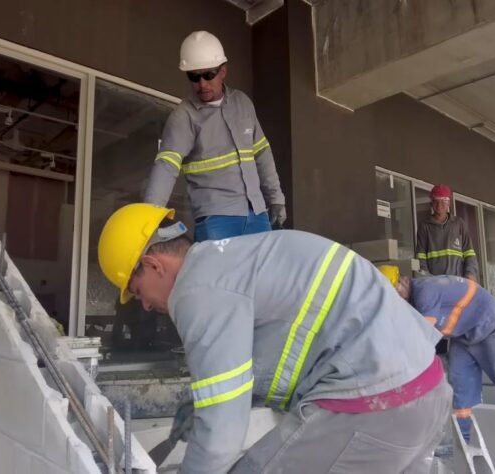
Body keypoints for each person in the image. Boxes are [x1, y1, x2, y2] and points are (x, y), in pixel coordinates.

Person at [98, 203, 451, 474]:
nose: (144, 304)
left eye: (137, 289)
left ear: (154, 264)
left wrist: (210, 426)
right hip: (427, 391)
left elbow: (221, 438)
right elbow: (287, 343)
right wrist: (205, 404)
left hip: (377, 404)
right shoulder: (238, 262)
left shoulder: (196, 289)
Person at [378, 266, 495, 465]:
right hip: (464, 336)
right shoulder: (414, 301)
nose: (396, 298)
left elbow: (422, 335)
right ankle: (465, 440)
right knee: (461, 387)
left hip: (488, 326)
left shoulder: (426, 290)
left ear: (403, 281)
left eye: (395, 291)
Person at [143, 31, 286, 242]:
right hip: (216, 219)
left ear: (223, 71)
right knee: (221, 276)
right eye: (194, 76)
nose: (202, 84)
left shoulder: (243, 104)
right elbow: (166, 165)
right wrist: (148, 219)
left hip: (257, 214)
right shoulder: (184, 117)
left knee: (261, 276)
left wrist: (276, 198)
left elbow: (262, 154)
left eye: (208, 75)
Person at [415, 184, 478, 281]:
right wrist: (426, 278)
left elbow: (469, 253)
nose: (439, 205)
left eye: (443, 201)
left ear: (449, 203)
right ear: (431, 203)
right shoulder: (424, 226)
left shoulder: (459, 224)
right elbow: (420, 255)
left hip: (458, 281)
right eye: (436, 201)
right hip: (435, 282)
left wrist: (470, 273)